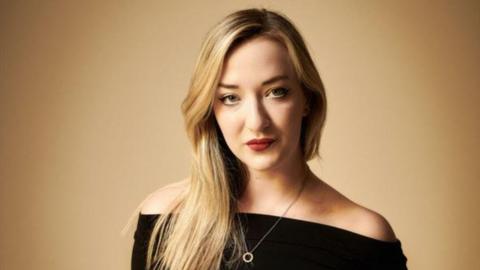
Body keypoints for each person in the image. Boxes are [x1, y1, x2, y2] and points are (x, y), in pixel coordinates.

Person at [128, 7, 408, 270]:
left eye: (276, 92)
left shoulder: (364, 239)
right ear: (211, 110)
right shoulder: (166, 217)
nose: (257, 122)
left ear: (306, 99)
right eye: (230, 98)